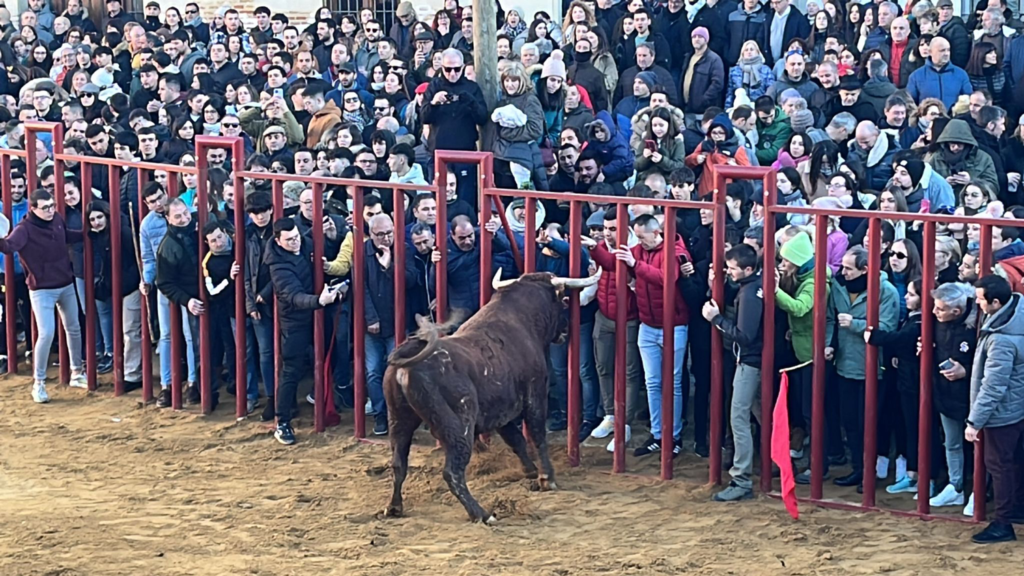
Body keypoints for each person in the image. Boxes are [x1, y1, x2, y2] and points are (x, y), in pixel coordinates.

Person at [612, 214, 691, 458]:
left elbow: (666, 278)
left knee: (672, 383)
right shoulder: (638, 250)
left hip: (673, 325)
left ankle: (673, 435)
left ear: (656, 233)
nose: (639, 242)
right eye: (636, 237)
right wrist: (596, 249)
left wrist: (635, 265)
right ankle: (658, 434)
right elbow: (615, 262)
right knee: (653, 383)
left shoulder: (673, 250)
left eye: (642, 237)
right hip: (647, 325)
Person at [0, 190, 86, 402]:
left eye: (52, 205)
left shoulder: (56, 218)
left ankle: (77, 372)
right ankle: (38, 383)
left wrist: (86, 233)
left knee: (74, 328)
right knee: (46, 333)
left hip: (65, 283)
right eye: (45, 207)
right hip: (41, 289)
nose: (50, 210)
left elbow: (66, 236)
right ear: (33, 208)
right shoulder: (24, 229)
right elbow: (9, 247)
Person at [825, 246, 900, 491]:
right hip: (844, 364)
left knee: (870, 422)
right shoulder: (839, 286)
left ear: (865, 269)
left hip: (874, 369)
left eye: (848, 268)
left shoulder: (886, 291)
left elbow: (887, 328)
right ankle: (858, 469)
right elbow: (830, 319)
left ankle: (871, 472)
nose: (843, 272)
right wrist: (828, 344)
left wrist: (855, 324)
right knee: (850, 422)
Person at [266, 218, 345, 445]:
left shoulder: (306, 242)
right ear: (278, 242)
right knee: (291, 370)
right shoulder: (277, 266)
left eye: (296, 237)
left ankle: (316, 396)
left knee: (332, 354)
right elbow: (294, 296)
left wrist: (330, 236)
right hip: (295, 321)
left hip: (317, 314)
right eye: (289, 240)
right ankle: (282, 422)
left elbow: (322, 251)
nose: (296, 243)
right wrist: (319, 301)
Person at [965, 275, 1024, 543]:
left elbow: (993, 386)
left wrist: (974, 421)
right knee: (1012, 462)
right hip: (1016, 406)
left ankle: (1003, 523)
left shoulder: (1002, 338)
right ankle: (1015, 510)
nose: (978, 304)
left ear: (996, 302)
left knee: (999, 465)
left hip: (1003, 412)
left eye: (980, 300)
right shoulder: (1014, 318)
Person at [706, 244, 764, 502]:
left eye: (732, 269)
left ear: (748, 269)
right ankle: (777, 462)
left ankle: (741, 480)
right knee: (760, 415)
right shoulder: (752, 286)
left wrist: (716, 320)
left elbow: (745, 335)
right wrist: (715, 285)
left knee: (738, 419)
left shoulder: (750, 294)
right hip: (755, 361)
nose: (728, 272)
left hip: (750, 362)